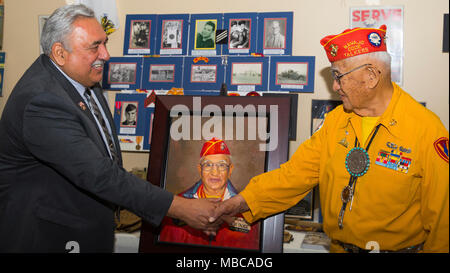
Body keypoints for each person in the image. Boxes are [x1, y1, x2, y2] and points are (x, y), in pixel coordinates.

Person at [0, 4, 219, 253]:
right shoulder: (42, 101)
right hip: (48, 237)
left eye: (104, 43)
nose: (105, 54)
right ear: (60, 53)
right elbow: (99, 174)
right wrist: (180, 208)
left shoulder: (81, 80)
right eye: (95, 46)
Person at [212, 25, 449, 253]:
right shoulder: (335, 122)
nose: (334, 86)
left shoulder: (426, 129)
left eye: (338, 76)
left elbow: (444, 222)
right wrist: (238, 203)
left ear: (371, 76)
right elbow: (292, 177)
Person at [159, 138, 260, 250]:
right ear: (199, 169)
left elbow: (251, 239)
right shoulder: (179, 202)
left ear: (230, 170)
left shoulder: (243, 205)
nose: (214, 172)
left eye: (221, 165)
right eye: (208, 165)